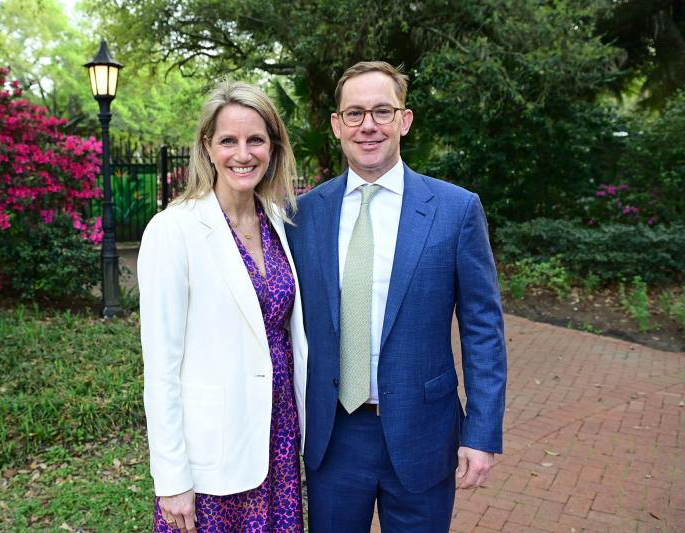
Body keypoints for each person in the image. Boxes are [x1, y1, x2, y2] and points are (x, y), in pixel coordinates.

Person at [285, 61, 507, 532]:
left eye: (382, 111)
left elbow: (483, 330)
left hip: (424, 433)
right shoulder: (302, 216)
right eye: (355, 113)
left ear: (404, 120)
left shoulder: (456, 210)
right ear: (336, 126)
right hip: (333, 436)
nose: (368, 125)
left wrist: (482, 432)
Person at [137, 81, 307, 533]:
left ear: (273, 146)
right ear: (208, 147)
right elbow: (161, 367)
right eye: (228, 140)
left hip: (278, 436)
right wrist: (171, 477)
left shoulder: (278, 222)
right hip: (214, 454)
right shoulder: (173, 230)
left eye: (255, 139)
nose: (242, 153)